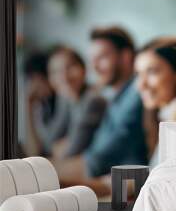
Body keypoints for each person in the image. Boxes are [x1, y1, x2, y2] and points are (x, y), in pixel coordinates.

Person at [52, 27, 147, 188]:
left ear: (125, 57)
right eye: (92, 60)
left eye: (102, 57)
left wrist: (40, 174)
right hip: (105, 182)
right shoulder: (115, 98)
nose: (94, 67)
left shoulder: (136, 94)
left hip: (125, 191)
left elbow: (96, 160)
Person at [46, 46, 107, 158]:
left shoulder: (93, 100)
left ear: (83, 69)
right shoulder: (66, 98)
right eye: (55, 71)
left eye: (70, 67)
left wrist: (65, 143)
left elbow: (72, 152)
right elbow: (49, 142)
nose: (63, 76)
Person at [24, 51, 69, 156]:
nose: (33, 85)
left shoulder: (64, 99)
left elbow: (48, 144)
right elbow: (33, 151)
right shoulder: (43, 104)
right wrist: (28, 107)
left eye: (37, 79)